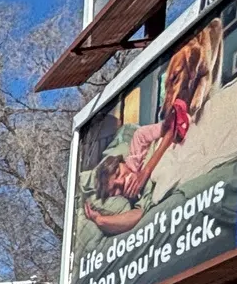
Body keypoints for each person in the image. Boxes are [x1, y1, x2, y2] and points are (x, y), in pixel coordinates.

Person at [83, 97, 193, 235]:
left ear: (122, 162)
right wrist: (100, 220)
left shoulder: (137, 145)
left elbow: (173, 126)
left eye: (118, 173)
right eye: (115, 189)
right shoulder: (133, 198)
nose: (122, 181)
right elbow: (137, 215)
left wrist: (146, 171)